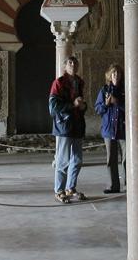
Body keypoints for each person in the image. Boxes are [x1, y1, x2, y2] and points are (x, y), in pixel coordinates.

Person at [49, 55, 87, 203]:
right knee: (63, 160)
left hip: (77, 126)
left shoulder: (79, 82)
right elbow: (53, 108)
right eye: (70, 62)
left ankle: (70, 187)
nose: (73, 64)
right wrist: (74, 104)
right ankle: (59, 190)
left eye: (75, 62)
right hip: (64, 127)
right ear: (65, 66)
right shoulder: (58, 83)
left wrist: (83, 107)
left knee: (77, 159)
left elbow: (80, 105)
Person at [94, 63, 126, 194]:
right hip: (109, 129)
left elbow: (133, 108)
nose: (116, 75)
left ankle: (128, 185)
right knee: (111, 159)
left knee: (126, 159)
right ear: (109, 75)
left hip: (123, 129)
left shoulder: (126, 89)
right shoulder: (104, 90)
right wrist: (106, 104)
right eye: (113, 72)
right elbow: (98, 109)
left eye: (118, 72)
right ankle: (114, 185)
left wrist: (117, 102)